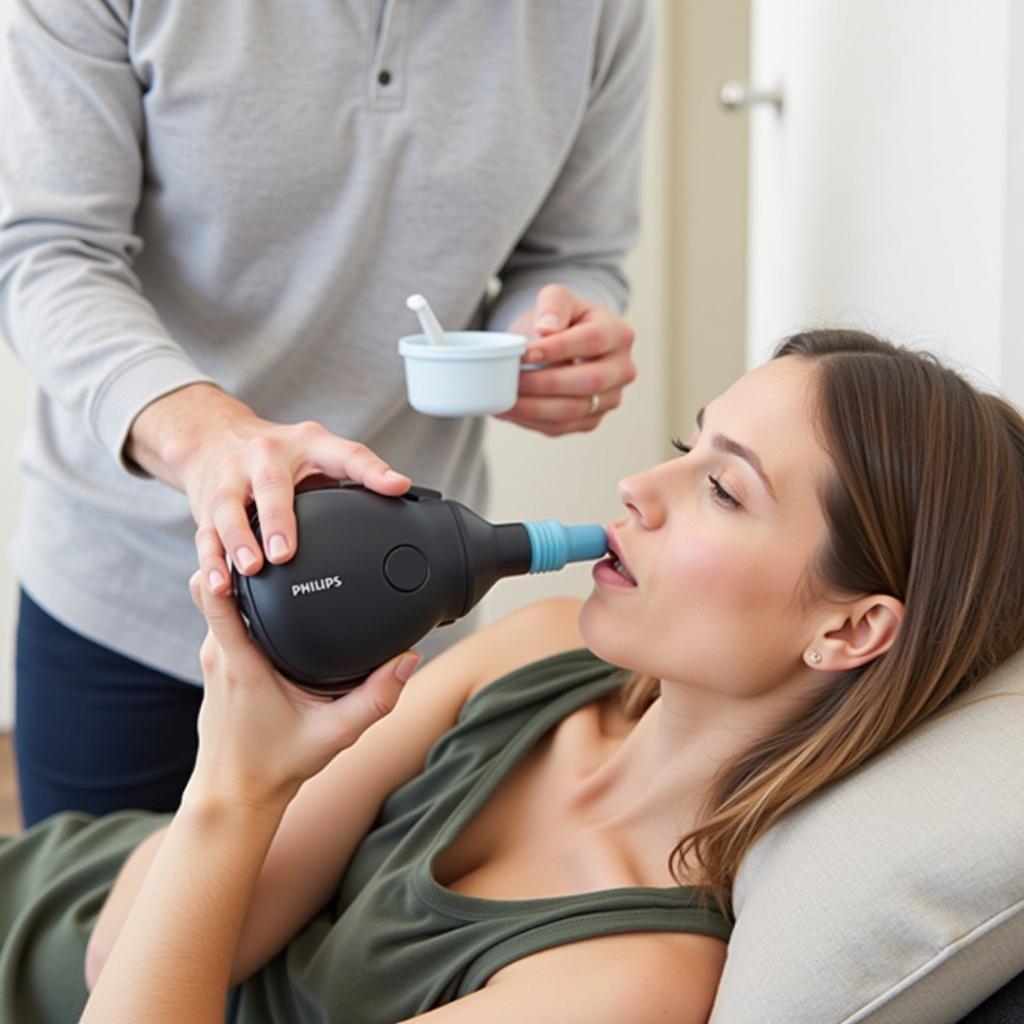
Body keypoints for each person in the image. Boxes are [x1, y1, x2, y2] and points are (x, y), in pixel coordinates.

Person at [2, 329, 1023, 1024]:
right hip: (48, 889)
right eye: (685, 443)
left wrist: (239, 782)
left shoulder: (632, 979)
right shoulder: (541, 650)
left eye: (720, 486)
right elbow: (111, 942)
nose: (638, 485)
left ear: (852, 628)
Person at [0, 0, 648, 825]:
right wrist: (205, 436)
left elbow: (575, 255)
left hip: (393, 615)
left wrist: (551, 334)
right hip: (131, 588)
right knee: (109, 948)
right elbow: (48, 250)